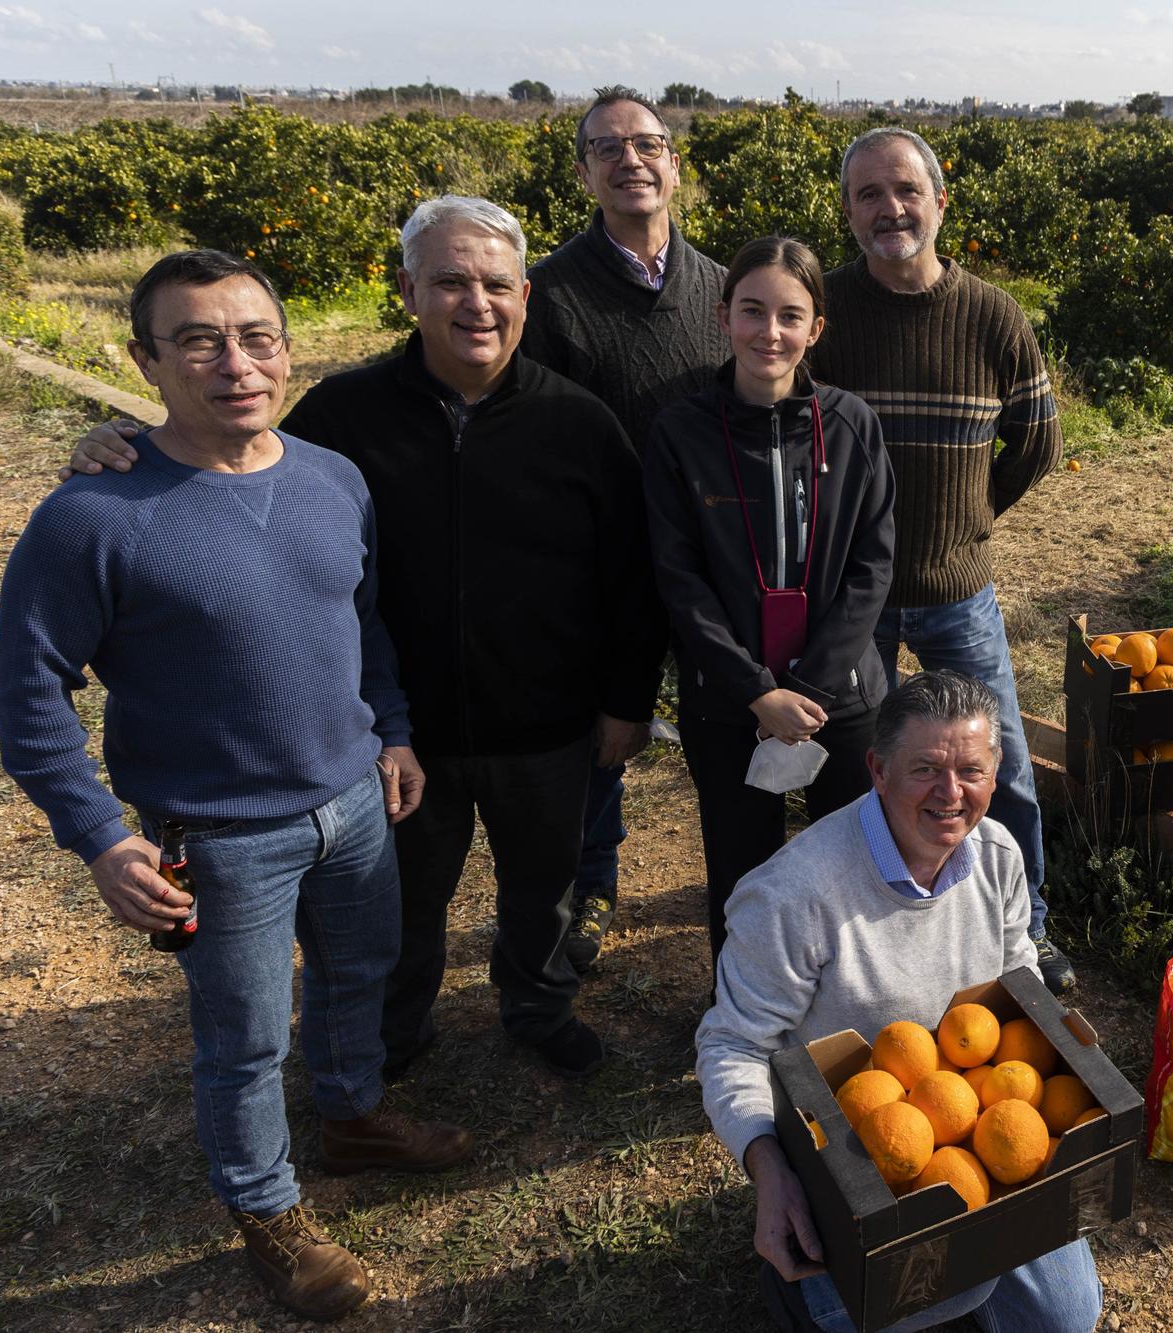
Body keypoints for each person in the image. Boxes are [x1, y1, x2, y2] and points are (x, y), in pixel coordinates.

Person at [63, 197, 664, 1081]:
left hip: (550, 726)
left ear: (526, 297)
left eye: (496, 283)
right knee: (405, 908)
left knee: (543, 891)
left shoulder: (579, 423)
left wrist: (625, 700)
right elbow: (226, 466)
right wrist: (125, 444)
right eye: (450, 281)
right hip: (398, 737)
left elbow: (632, 578)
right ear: (407, 290)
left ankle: (536, 1003)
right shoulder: (341, 417)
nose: (477, 303)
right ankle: (396, 1030)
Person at [0, 249, 473, 1321]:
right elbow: (27, 690)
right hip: (214, 834)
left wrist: (390, 729)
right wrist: (102, 838)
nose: (234, 363)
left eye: (256, 337)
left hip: (353, 801)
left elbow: (360, 623)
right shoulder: (94, 515)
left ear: (286, 347)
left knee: (359, 975)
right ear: (147, 361)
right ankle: (266, 1209)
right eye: (198, 341)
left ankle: (353, 1115)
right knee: (245, 1036)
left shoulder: (329, 477)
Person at [696, 671, 1103, 1333]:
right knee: (882, 1303)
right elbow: (732, 1045)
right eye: (925, 769)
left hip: (983, 1136)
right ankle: (797, 1288)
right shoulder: (793, 896)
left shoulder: (998, 856)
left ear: (996, 773)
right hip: (855, 1156)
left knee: (1065, 1317)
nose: (951, 793)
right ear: (878, 770)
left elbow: (1018, 978)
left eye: (972, 769)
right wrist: (770, 1168)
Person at [808, 127, 1076, 995]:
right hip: (859, 596)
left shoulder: (992, 314)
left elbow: (1036, 440)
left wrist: (969, 519)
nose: (890, 209)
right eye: (868, 196)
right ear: (848, 211)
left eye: (905, 191)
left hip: (958, 591)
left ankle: (1025, 929)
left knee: (1002, 771)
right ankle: (887, 920)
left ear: (938, 202)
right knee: (873, 767)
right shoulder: (828, 316)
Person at [519, 84, 730, 974]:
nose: (630, 160)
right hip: (600, 566)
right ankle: (591, 888)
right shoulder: (552, 295)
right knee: (597, 742)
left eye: (646, 143)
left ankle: (743, 881)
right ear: (583, 173)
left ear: (675, 164)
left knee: (725, 729)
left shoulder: (721, 288)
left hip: (712, 563)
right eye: (607, 148)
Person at [643, 236, 895, 972]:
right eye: (753, 311)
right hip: (727, 704)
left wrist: (806, 691)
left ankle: (855, 1001)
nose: (770, 332)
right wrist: (757, 691)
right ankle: (746, 1012)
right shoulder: (681, 434)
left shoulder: (851, 426)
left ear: (816, 328)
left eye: (791, 315)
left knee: (857, 863)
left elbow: (871, 568)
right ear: (723, 316)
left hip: (840, 702)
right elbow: (678, 578)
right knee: (742, 868)